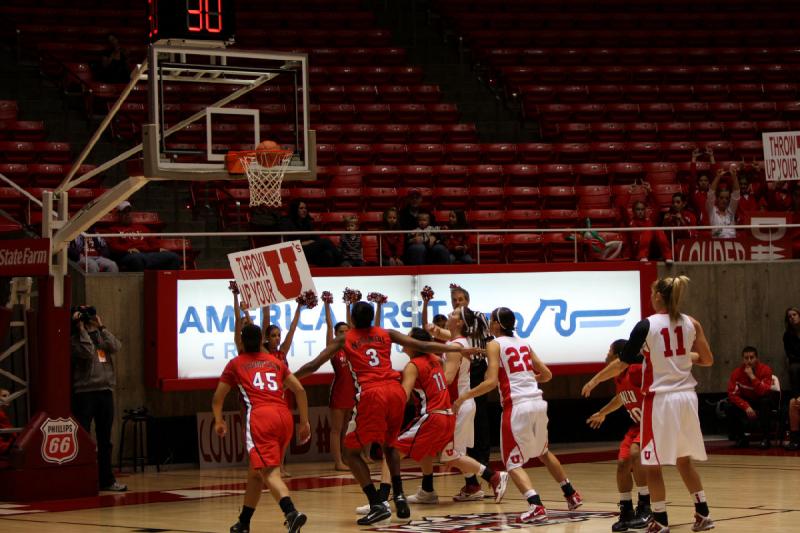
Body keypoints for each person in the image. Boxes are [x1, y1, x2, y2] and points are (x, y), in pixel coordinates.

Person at [294, 301, 481, 526]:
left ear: (352, 320)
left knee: (350, 453)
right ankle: (399, 496)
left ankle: (377, 504)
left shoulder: (345, 338)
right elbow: (425, 345)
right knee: (390, 445)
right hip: (394, 391)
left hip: (372, 394)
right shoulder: (386, 333)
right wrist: (458, 349)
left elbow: (313, 365)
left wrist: (287, 380)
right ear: (372, 318)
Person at [582, 275, 715, 533]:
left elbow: (622, 363)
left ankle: (661, 520)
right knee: (683, 460)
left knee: (651, 463)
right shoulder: (692, 323)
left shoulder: (646, 326)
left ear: (657, 296)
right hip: (687, 398)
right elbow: (707, 359)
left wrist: (595, 381)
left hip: (661, 398)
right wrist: (681, 357)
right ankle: (703, 513)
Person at [454, 307, 582, 523]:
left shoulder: (494, 344)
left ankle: (536, 505)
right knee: (543, 452)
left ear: (496, 324)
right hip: (538, 402)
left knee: (511, 462)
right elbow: (547, 374)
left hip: (518, 406)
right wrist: (527, 378)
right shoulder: (524, 343)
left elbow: (492, 381)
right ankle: (571, 494)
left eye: (492, 320)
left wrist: (465, 396)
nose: (490, 324)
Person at [213, 323, 310, 533]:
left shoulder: (235, 364)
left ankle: (291, 513)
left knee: (268, 473)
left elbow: (217, 398)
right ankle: (244, 522)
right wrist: (304, 422)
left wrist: (219, 421)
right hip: (284, 417)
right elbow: (300, 390)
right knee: (255, 473)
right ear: (261, 342)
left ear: (241, 341)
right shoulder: (275, 362)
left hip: (260, 417)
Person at [397, 327, 508, 506]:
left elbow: (447, 379)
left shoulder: (450, 349)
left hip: (453, 406)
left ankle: (490, 476)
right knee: (436, 450)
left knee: (451, 454)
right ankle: (436, 489)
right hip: (449, 408)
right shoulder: (449, 349)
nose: (450, 312)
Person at [584, 340, 651, 532]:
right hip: (636, 426)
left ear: (618, 356)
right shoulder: (618, 377)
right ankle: (626, 510)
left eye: (609, 352)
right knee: (622, 464)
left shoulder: (637, 370)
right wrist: (603, 412)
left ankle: (645, 507)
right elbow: (621, 398)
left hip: (651, 424)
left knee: (635, 453)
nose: (606, 356)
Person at [70, 305, 126, 492]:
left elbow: (115, 346)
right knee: (84, 438)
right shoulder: (74, 339)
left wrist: (101, 327)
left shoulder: (100, 336)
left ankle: (107, 480)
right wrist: (80, 329)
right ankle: (83, 479)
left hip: (105, 391)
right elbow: (86, 352)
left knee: (105, 440)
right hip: (84, 393)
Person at [106, 201, 182, 271]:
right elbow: (113, 246)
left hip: (147, 254)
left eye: (129, 212)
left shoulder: (141, 227)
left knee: (173, 257)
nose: (128, 214)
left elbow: (152, 241)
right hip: (128, 255)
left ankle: (167, 283)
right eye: (124, 212)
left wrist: (158, 249)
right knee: (137, 259)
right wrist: (127, 249)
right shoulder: (113, 230)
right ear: (118, 215)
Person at [726, 346, 776, 449]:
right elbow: (732, 394)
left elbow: (763, 391)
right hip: (747, 401)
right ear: (742, 359)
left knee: (765, 401)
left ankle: (765, 439)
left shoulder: (765, 370)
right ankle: (741, 438)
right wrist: (746, 406)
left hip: (761, 399)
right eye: (746, 358)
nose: (749, 361)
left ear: (756, 358)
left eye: (751, 357)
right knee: (729, 406)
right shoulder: (736, 373)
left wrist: (752, 376)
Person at [279, 199, 340, 267]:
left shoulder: (307, 222)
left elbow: (316, 239)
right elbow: (287, 242)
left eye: (305, 208)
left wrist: (311, 242)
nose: (304, 210)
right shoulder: (287, 221)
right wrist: (305, 242)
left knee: (327, 254)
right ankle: (342, 260)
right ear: (295, 209)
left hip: (308, 251)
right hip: (294, 251)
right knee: (326, 241)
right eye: (301, 208)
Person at [707, 167, 740, 239]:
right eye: (721, 198)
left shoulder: (731, 210)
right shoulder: (712, 211)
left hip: (733, 244)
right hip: (717, 245)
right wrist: (718, 177)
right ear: (717, 199)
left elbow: (736, 194)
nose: (724, 200)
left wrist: (734, 176)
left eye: (726, 198)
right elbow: (710, 195)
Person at [689, 147, 715, 225]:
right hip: (700, 225)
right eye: (701, 181)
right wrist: (693, 158)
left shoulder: (712, 192)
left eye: (705, 180)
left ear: (709, 183)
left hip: (714, 224)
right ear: (698, 183)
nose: (703, 182)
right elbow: (692, 176)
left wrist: (711, 157)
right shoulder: (695, 193)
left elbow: (714, 175)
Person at [784, 307, 800, 396]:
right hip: (796, 362)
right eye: (789, 316)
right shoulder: (787, 336)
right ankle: (797, 398)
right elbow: (790, 355)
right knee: (794, 368)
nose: (792, 317)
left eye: (794, 315)